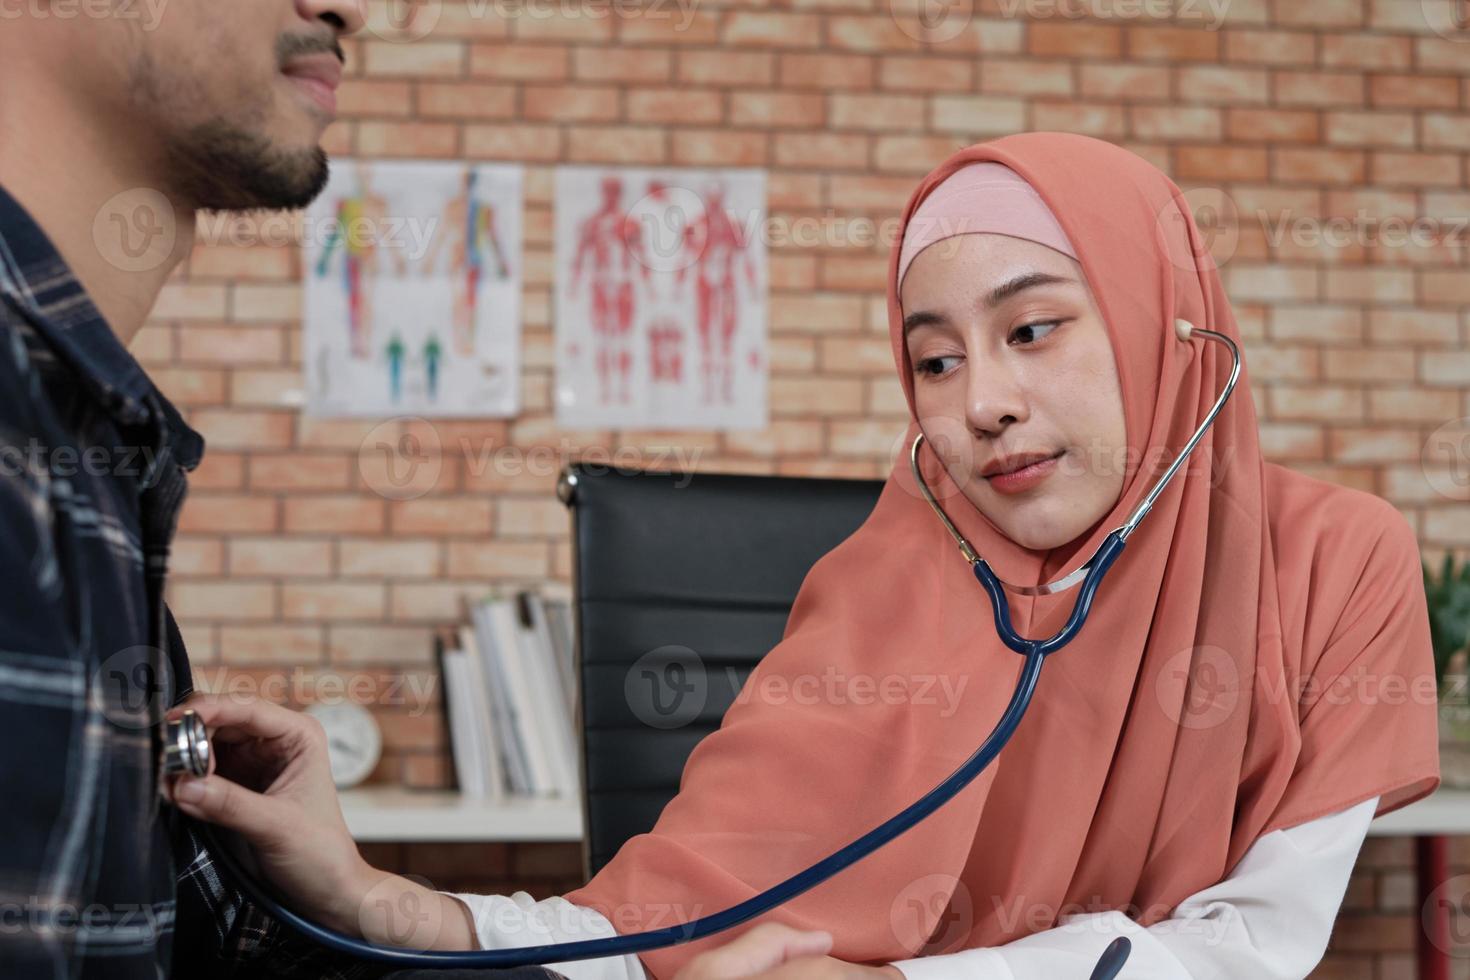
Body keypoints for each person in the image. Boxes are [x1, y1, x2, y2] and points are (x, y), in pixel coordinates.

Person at [168, 132, 1441, 980]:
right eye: (934, 360)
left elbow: (1248, 947)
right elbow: (668, 926)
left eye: (1035, 329)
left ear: (1176, 332)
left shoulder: (1337, 559)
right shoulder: (885, 580)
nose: (979, 401)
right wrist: (375, 897)